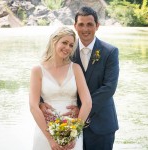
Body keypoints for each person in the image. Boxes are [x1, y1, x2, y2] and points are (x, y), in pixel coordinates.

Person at [40, 6, 119, 150]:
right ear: (75, 26)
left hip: (101, 124)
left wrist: (82, 108)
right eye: (81, 24)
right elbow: (48, 74)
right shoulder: (66, 50)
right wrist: (40, 101)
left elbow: (109, 88)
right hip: (66, 124)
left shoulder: (110, 52)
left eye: (90, 24)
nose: (85, 29)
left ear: (97, 26)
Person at [29, 26, 92, 150]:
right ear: (54, 41)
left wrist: (74, 134)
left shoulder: (75, 69)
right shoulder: (37, 70)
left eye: (71, 45)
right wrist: (50, 139)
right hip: (45, 130)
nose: (67, 48)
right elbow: (33, 106)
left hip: (72, 131)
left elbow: (88, 102)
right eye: (64, 42)